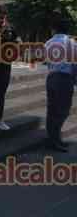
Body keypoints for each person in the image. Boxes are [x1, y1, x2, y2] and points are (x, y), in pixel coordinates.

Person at [44, 17, 76, 152]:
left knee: (52, 110)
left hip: (51, 78)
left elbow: (47, 61)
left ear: (54, 29)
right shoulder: (71, 43)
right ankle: (54, 139)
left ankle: (54, 138)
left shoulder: (48, 43)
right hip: (64, 79)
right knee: (63, 110)